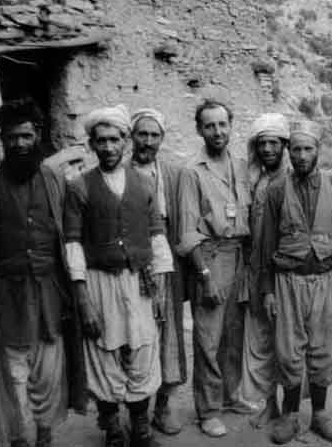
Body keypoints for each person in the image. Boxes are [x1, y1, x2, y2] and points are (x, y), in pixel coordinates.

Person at [0, 98, 86, 447]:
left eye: (25, 136)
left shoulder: (55, 180)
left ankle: (45, 435)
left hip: (49, 295)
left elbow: (70, 236)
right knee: (14, 377)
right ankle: (18, 438)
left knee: (47, 373)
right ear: (2, 140)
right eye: (11, 137)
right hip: (6, 299)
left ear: (38, 136)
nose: (18, 144)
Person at [64, 104, 174, 447]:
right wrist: (83, 299)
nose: (109, 147)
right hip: (99, 282)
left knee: (141, 351)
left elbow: (157, 234)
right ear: (92, 144)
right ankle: (112, 428)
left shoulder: (143, 184)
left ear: (125, 141)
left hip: (139, 281)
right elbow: (72, 243)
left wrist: (160, 287)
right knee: (105, 352)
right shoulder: (79, 187)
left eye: (115, 139)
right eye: (102, 141)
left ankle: (140, 427)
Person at [259, 120, 332, 444]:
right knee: (288, 353)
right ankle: (289, 415)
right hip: (288, 282)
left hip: (326, 281)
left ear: (318, 150)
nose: (301, 155)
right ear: (288, 151)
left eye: (307, 148)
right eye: (296, 149)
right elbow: (265, 245)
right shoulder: (275, 191)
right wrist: (268, 290)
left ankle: (320, 414)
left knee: (324, 351)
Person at [177, 99, 251, 437]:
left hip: (239, 255)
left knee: (233, 335)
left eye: (223, 124)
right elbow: (187, 231)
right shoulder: (192, 170)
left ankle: (231, 395)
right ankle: (207, 410)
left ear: (231, 126)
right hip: (210, 257)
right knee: (208, 338)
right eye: (210, 125)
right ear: (199, 129)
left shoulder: (240, 165)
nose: (218, 132)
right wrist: (204, 275)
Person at [130, 108, 188, 435]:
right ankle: (135, 414)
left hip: (168, 269)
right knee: (136, 339)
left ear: (162, 139)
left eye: (154, 135)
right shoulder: (120, 173)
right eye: (142, 134)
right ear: (131, 137)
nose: (148, 141)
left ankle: (163, 408)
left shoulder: (173, 175)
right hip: (130, 269)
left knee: (170, 338)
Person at [238, 113, 290, 427]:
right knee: (260, 339)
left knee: (286, 341)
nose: (268, 149)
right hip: (256, 271)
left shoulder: (293, 179)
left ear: (284, 145)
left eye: (273, 142)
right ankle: (269, 403)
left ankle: (290, 408)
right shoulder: (255, 179)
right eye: (262, 143)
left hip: (285, 274)